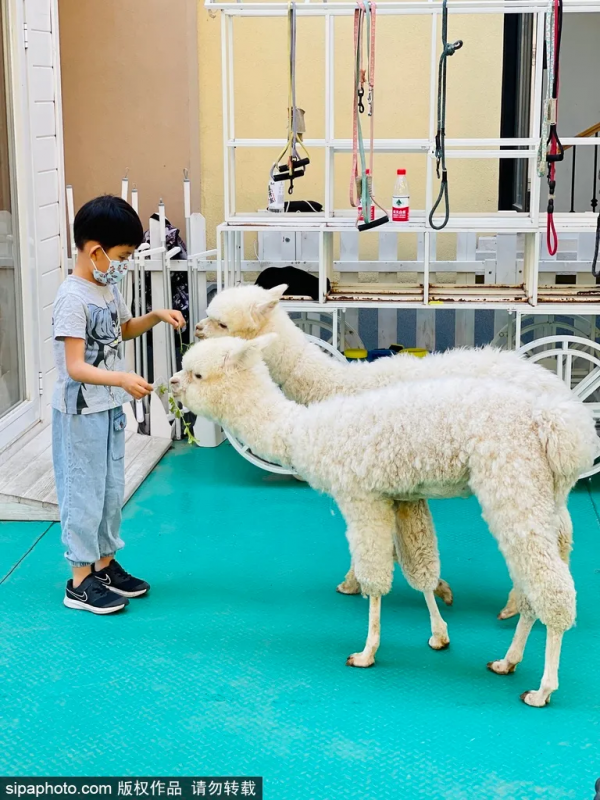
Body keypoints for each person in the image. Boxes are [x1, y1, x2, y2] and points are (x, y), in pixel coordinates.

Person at [51, 195, 185, 614]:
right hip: (80, 413)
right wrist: (122, 378)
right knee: (83, 493)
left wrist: (156, 316)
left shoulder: (105, 288)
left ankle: (105, 565)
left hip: (107, 408)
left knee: (110, 491)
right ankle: (79, 579)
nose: (125, 265)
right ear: (96, 252)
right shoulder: (72, 298)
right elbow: (75, 366)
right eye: (123, 256)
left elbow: (121, 329)